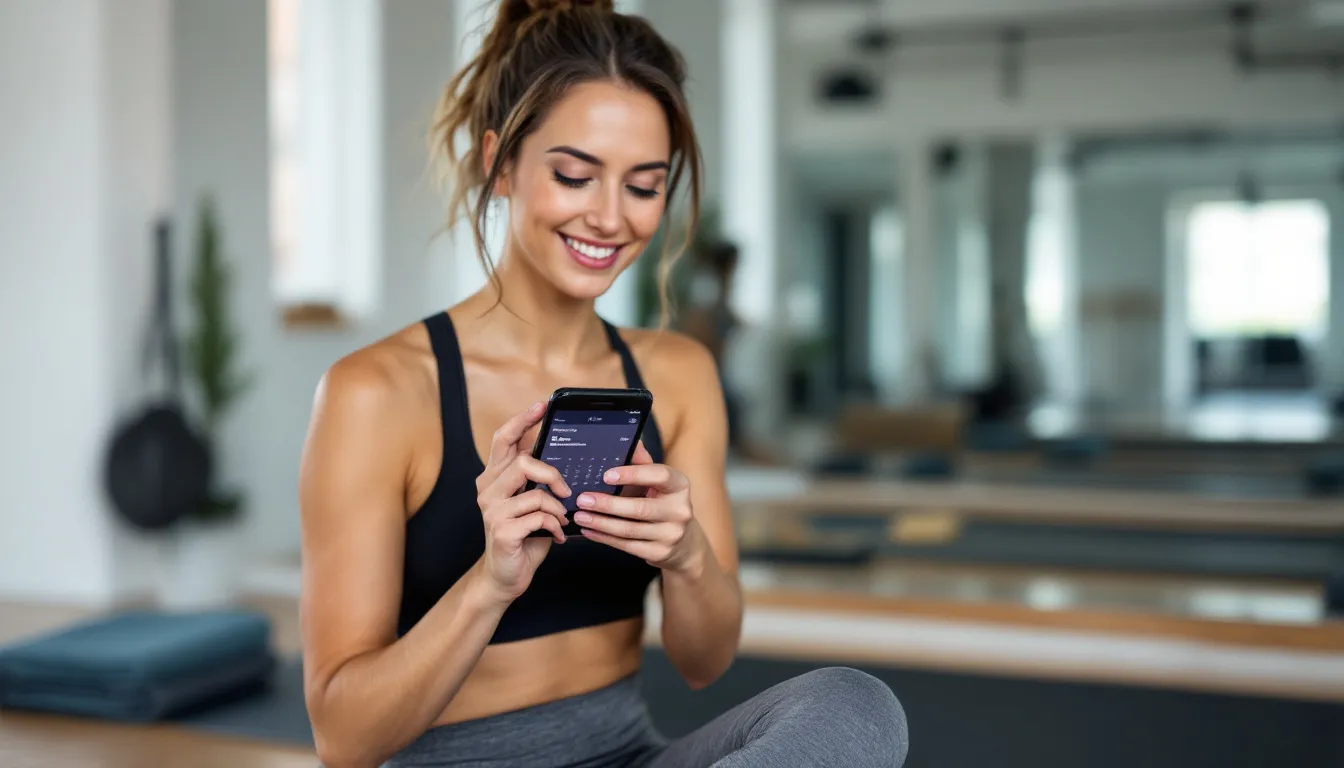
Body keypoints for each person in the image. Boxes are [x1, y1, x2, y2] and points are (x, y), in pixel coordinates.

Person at [297, 2, 908, 766]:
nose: (610, 218)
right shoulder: (375, 393)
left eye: (644, 186)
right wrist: (490, 583)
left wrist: (686, 557)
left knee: (854, 705)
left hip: (625, 752)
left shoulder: (679, 375)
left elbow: (703, 662)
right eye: (574, 175)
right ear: (499, 163)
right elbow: (343, 738)